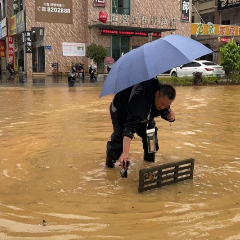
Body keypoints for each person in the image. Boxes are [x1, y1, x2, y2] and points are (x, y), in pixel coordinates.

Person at [105, 77, 176, 170]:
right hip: (120, 109)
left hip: (143, 112)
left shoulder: (161, 95)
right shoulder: (141, 104)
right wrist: (126, 153)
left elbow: (162, 110)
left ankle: (149, 164)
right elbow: (128, 130)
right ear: (157, 94)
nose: (164, 107)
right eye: (163, 104)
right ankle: (109, 166)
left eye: (167, 105)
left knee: (151, 136)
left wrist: (169, 115)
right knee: (119, 139)